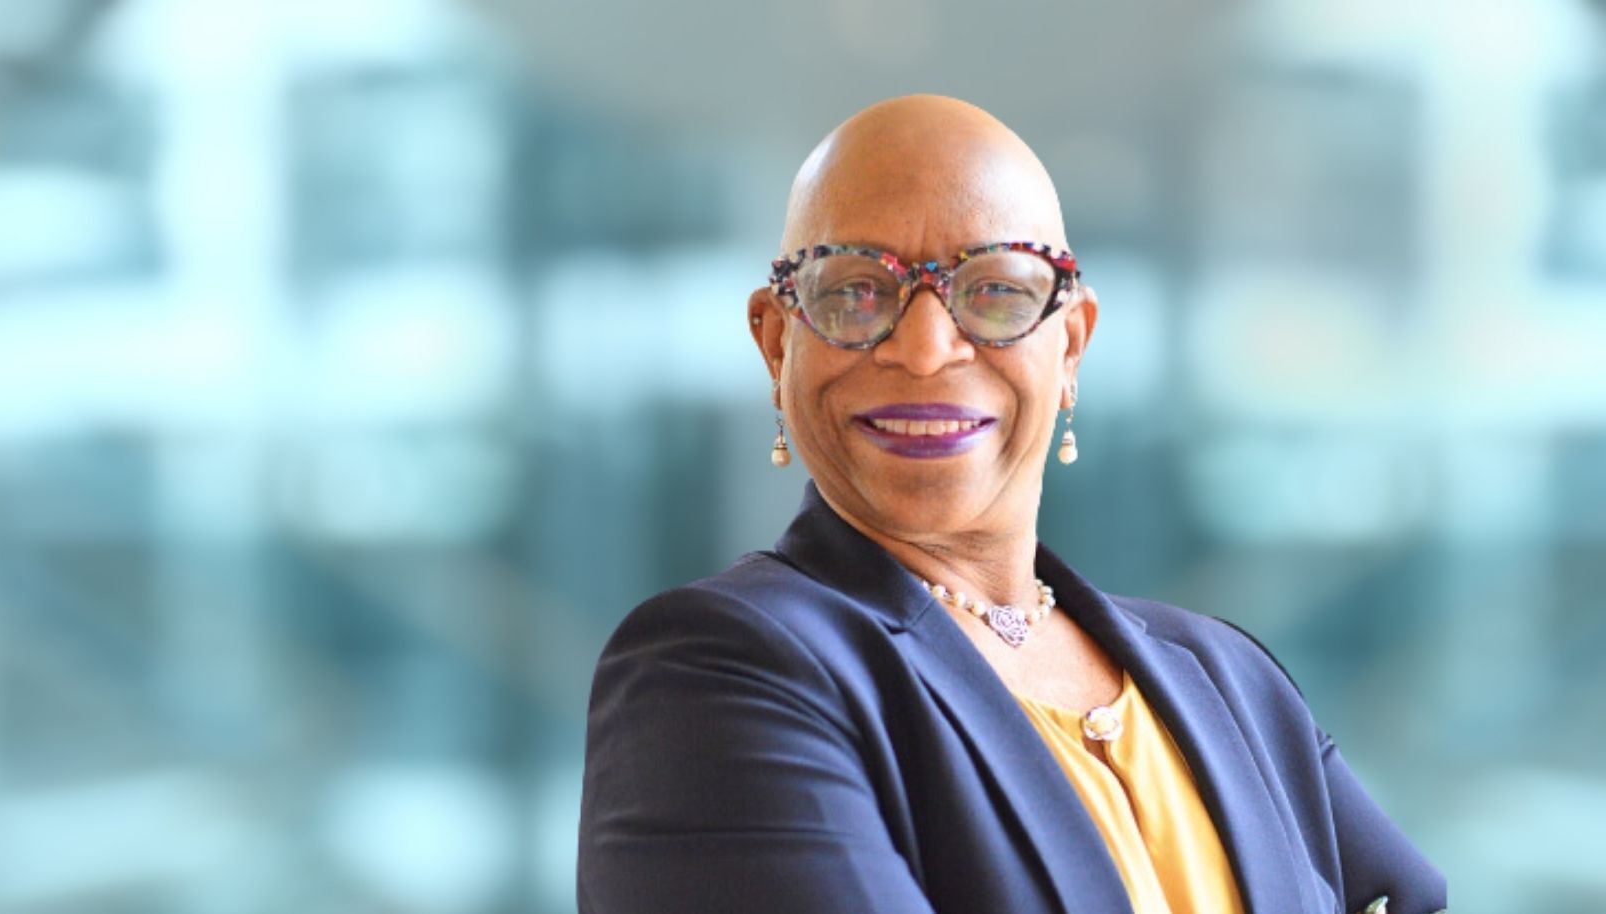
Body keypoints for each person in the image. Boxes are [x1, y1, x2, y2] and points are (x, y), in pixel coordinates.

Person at [575, 95, 1446, 914]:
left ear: (1070, 347)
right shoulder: (717, 671)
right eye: (855, 290)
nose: (925, 350)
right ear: (776, 342)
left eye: (995, 289)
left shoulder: (1227, 680)